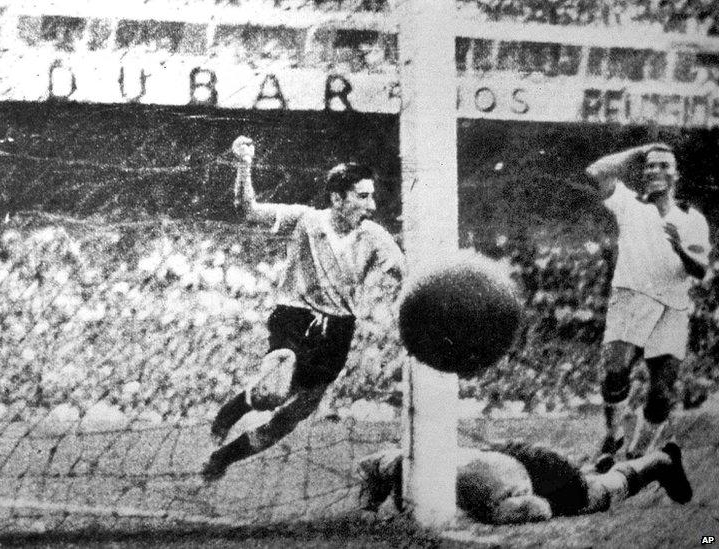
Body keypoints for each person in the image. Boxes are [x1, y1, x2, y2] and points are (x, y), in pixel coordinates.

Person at [201, 136, 405, 481]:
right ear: (337, 198)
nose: (371, 206)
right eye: (362, 196)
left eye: (372, 196)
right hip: (295, 317)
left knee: (289, 418)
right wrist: (244, 165)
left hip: (339, 330)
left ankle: (224, 457)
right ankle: (232, 411)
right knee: (273, 391)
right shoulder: (306, 220)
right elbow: (249, 211)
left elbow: (403, 271)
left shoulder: (374, 236)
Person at [582, 143, 710, 470]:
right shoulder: (630, 204)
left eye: (663, 165)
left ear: (676, 174)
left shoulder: (692, 219)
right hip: (631, 296)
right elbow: (596, 171)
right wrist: (641, 150)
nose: (655, 171)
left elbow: (700, 270)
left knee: (662, 394)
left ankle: (638, 452)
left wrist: (679, 247)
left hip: (671, 306)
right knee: (615, 371)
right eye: (650, 166)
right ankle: (614, 436)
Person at [357, 440, 693, 524]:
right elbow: (374, 465)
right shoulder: (410, 460)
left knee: (597, 495)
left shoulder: (489, 494)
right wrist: (368, 508)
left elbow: (541, 510)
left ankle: (659, 461)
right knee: (585, 481)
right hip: (512, 455)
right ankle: (591, 469)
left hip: (530, 475)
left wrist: (483, 517)